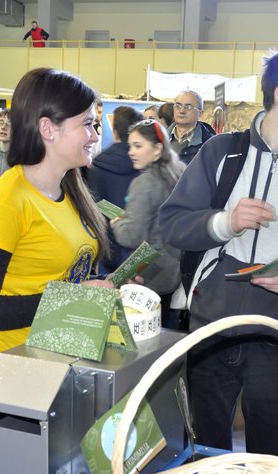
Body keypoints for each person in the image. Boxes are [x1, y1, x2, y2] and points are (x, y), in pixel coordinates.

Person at [159, 47, 278, 455]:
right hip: (209, 328)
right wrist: (226, 222)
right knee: (204, 452)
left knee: (269, 455)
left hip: (276, 334)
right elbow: (172, 223)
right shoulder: (221, 152)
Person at [0, 68, 114, 433]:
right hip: (6, 376)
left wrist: (100, 286)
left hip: (54, 364)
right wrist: (73, 298)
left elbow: (59, 271)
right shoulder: (6, 202)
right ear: (48, 129)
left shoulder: (70, 189)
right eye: (87, 124)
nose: (95, 135)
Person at [111, 119, 184, 322]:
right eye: (130, 146)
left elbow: (131, 237)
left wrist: (117, 224)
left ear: (157, 148)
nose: (131, 152)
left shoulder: (144, 182)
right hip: (174, 270)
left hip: (148, 274)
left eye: (138, 146)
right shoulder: (178, 172)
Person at [86, 105, 144, 270]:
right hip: (139, 247)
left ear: (115, 132)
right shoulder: (146, 165)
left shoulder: (97, 164)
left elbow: (95, 202)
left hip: (105, 244)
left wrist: (118, 218)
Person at [168, 90, 216, 165]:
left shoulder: (210, 144)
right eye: (178, 106)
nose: (181, 111)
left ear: (200, 113)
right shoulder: (159, 138)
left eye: (188, 107)